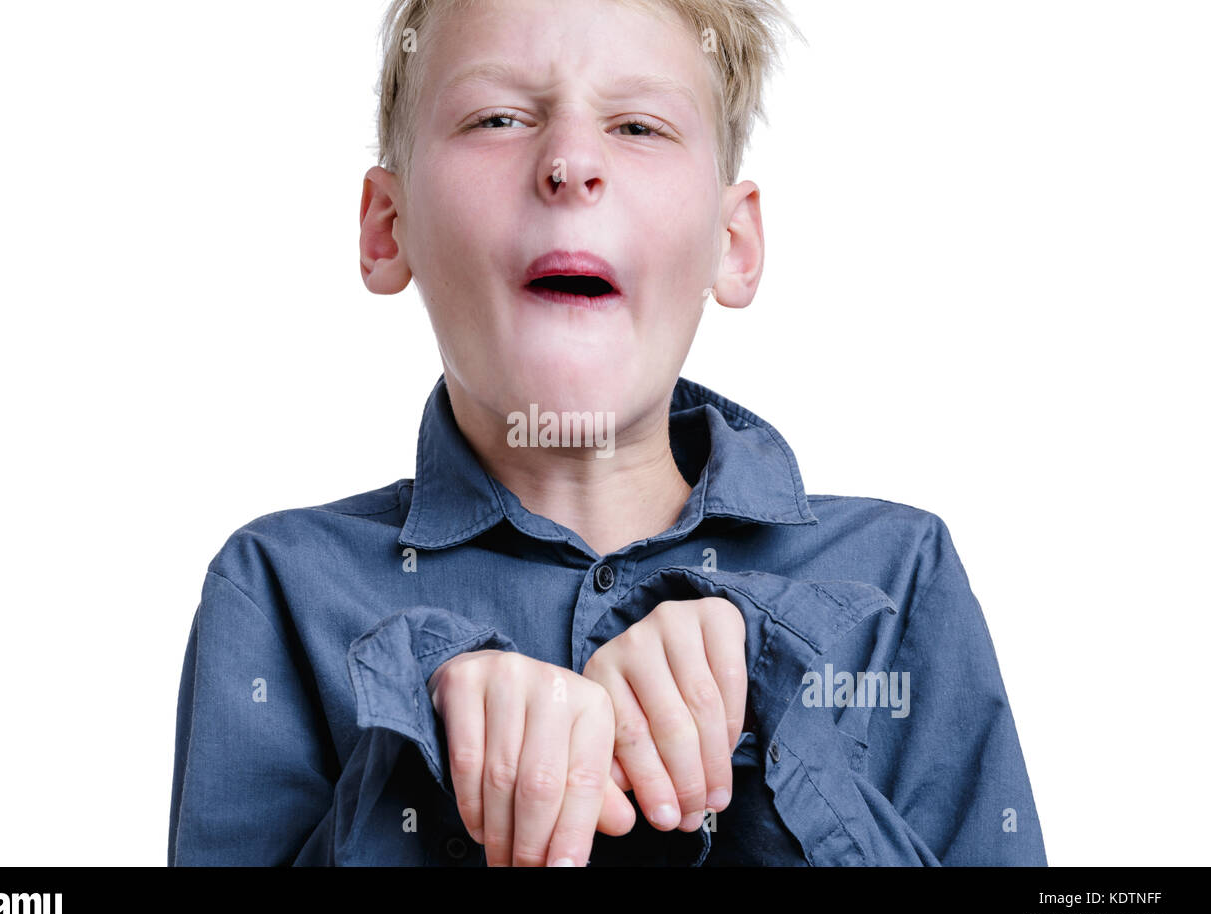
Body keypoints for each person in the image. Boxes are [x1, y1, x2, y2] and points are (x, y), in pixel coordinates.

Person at [168, 0, 1046, 866]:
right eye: (498, 117)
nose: (571, 163)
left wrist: (770, 718)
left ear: (731, 243)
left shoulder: (901, 578)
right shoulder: (275, 591)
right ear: (387, 229)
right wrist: (419, 762)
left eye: (637, 126)